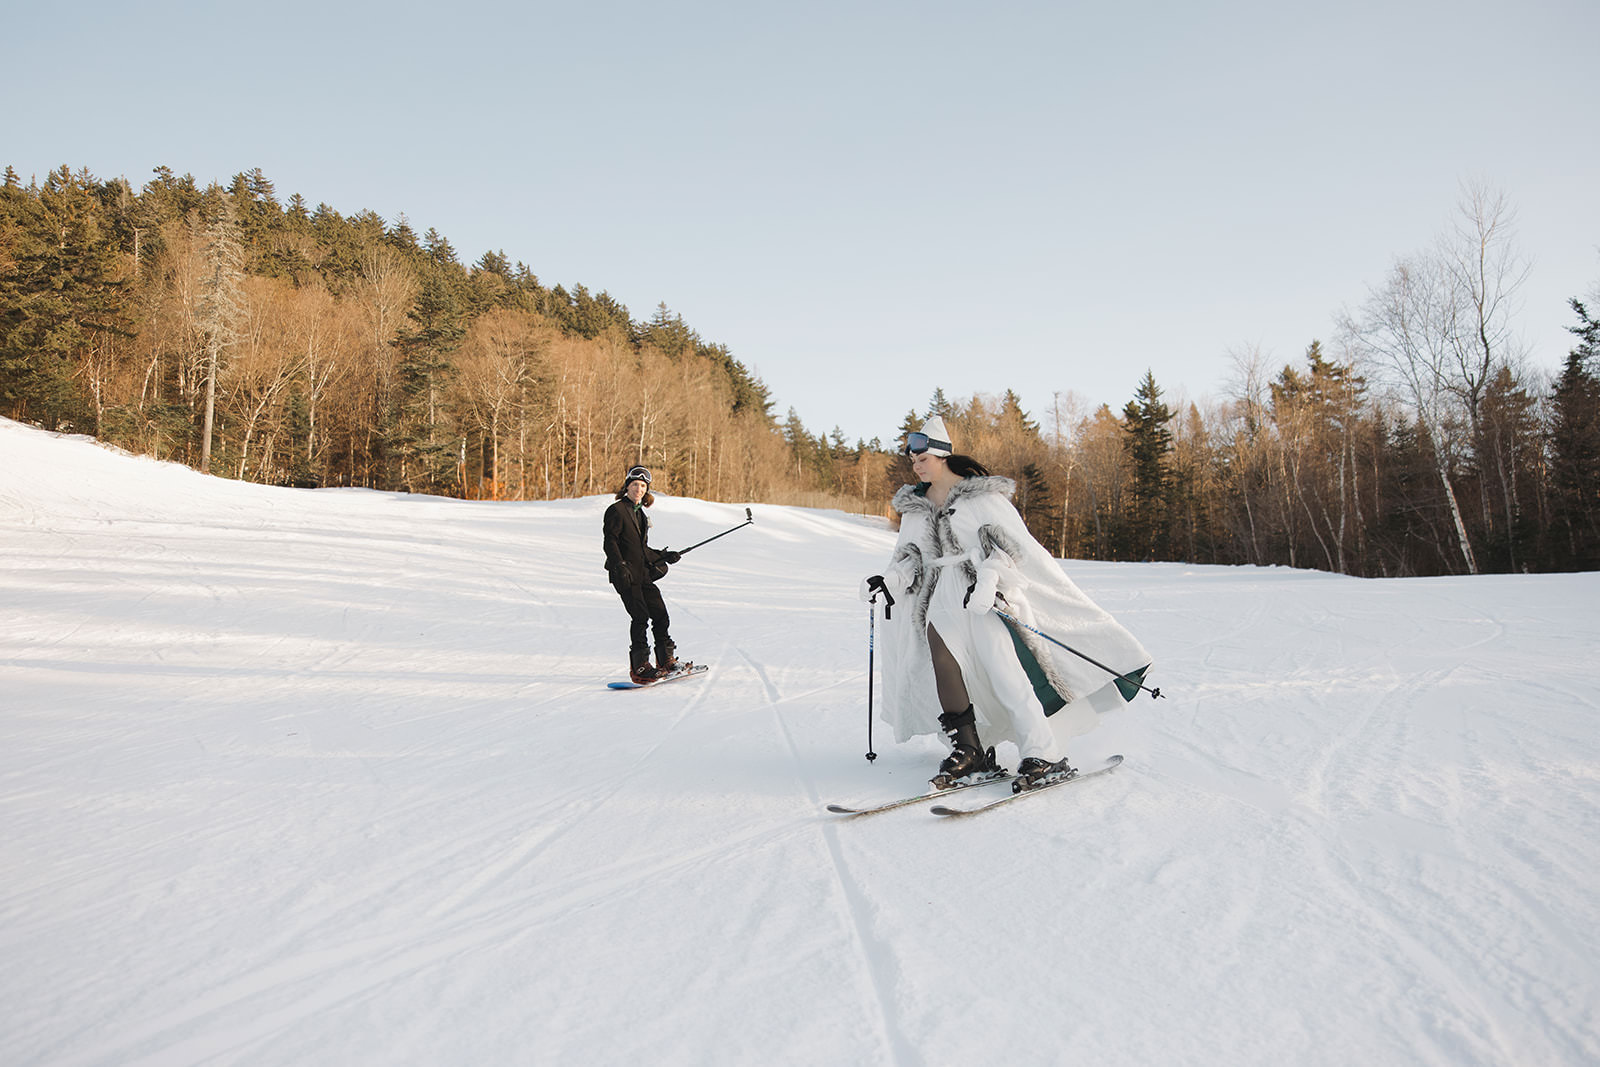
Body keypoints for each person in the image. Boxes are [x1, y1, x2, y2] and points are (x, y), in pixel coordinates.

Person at [861, 416, 1153, 789]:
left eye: (922, 456)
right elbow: (911, 558)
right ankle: (970, 750)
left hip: (981, 595)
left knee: (1004, 671)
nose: (914, 463)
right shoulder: (915, 507)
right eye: (911, 458)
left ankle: (1044, 753)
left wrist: (988, 580)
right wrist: (890, 580)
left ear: (942, 455)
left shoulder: (982, 497)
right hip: (940, 595)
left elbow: (1011, 548)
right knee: (943, 665)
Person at [603, 465, 682, 683]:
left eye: (643, 486)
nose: (638, 489)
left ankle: (665, 660)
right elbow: (610, 542)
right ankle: (639, 666)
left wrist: (664, 556)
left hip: (643, 574)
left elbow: (641, 548)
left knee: (660, 614)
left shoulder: (641, 515)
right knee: (639, 617)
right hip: (625, 575)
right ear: (627, 486)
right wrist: (619, 566)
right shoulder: (616, 510)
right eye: (635, 484)